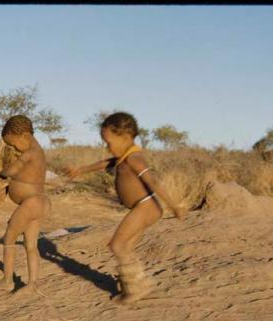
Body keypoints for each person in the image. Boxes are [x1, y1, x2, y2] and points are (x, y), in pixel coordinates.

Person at [66, 111, 187, 304]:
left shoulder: (134, 158)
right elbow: (106, 163)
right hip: (143, 207)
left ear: (124, 137)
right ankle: (136, 283)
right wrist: (81, 169)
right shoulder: (123, 157)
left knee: (117, 245)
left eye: (109, 142)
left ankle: (136, 287)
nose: (107, 147)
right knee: (127, 247)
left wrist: (174, 206)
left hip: (146, 206)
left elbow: (153, 182)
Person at [0, 115, 50, 296]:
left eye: (13, 144)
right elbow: (26, 179)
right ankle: (32, 283)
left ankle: (7, 281)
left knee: (9, 237)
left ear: (25, 136)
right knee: (31, 245)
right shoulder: (37, 153)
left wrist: (2, 174)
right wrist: (9, 188)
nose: (14, 149)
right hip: (39, 202)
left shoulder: (31, 153)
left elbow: (13, 170)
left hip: (32, 203)